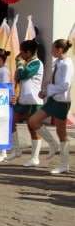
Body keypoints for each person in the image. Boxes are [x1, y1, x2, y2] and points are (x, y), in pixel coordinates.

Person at [8, 40, 58, 166]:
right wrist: (20, 65)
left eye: (22, 52)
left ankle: (40, 153)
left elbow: (23, 74)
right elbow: (18, 77)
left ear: (28, 52)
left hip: (33, 101)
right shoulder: (27, 62)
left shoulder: (36, 63)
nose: (20, 54)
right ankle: (17, 149)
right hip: (23, 100)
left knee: (33, 128)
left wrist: (19, 64)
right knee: (11, 121)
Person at [28, 39, 73, 174]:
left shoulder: (67, 64)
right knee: (33, 121)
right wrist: (44, 91)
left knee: (62, 133)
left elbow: (65, 85)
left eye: (53, 49)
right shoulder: (57, 62)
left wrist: (48, 90)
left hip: (62, 101)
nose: (51, 51)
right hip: (53, 99)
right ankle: (52, 144)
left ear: (59, 50)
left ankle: (64, 164)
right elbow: (52, 79)